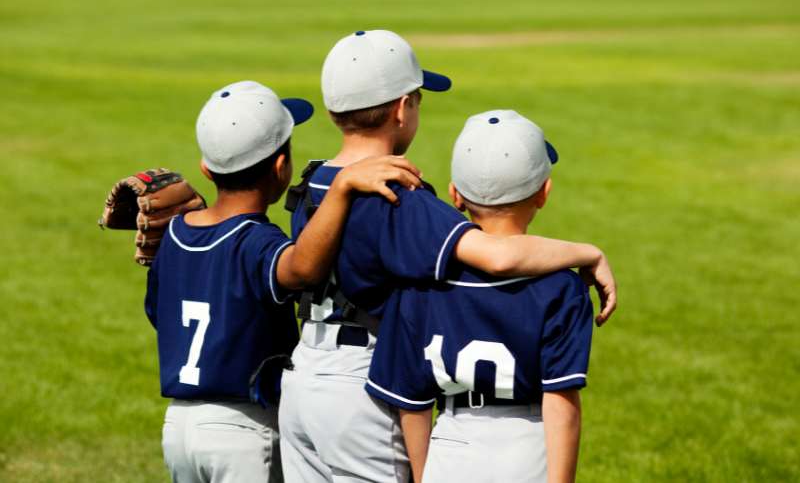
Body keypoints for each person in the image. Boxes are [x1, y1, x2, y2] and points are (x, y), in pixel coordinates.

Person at [278, 30, 616, 483]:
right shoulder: (400, 198)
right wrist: (586, 253)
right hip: (362, 385)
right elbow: (495, 256)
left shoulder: (314, 184)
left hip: (302, 379)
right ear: (402, 108)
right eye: (417, 99)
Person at [144, 79, 422, 482]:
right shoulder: (257, 240)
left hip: (178, 430)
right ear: (281, 166)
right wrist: (341, 187)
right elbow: (301, 268)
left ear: (206, 169)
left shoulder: (174, 235)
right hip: (242, 431)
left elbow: (160, 314)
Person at [368, 110, 593, 483]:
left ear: (455, 195)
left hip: (453, 443)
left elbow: (412, 402)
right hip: (528, 447)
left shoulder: (421, 283)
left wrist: (425, 475)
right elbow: (561, 403)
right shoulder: (561, 287)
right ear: (543, 193)